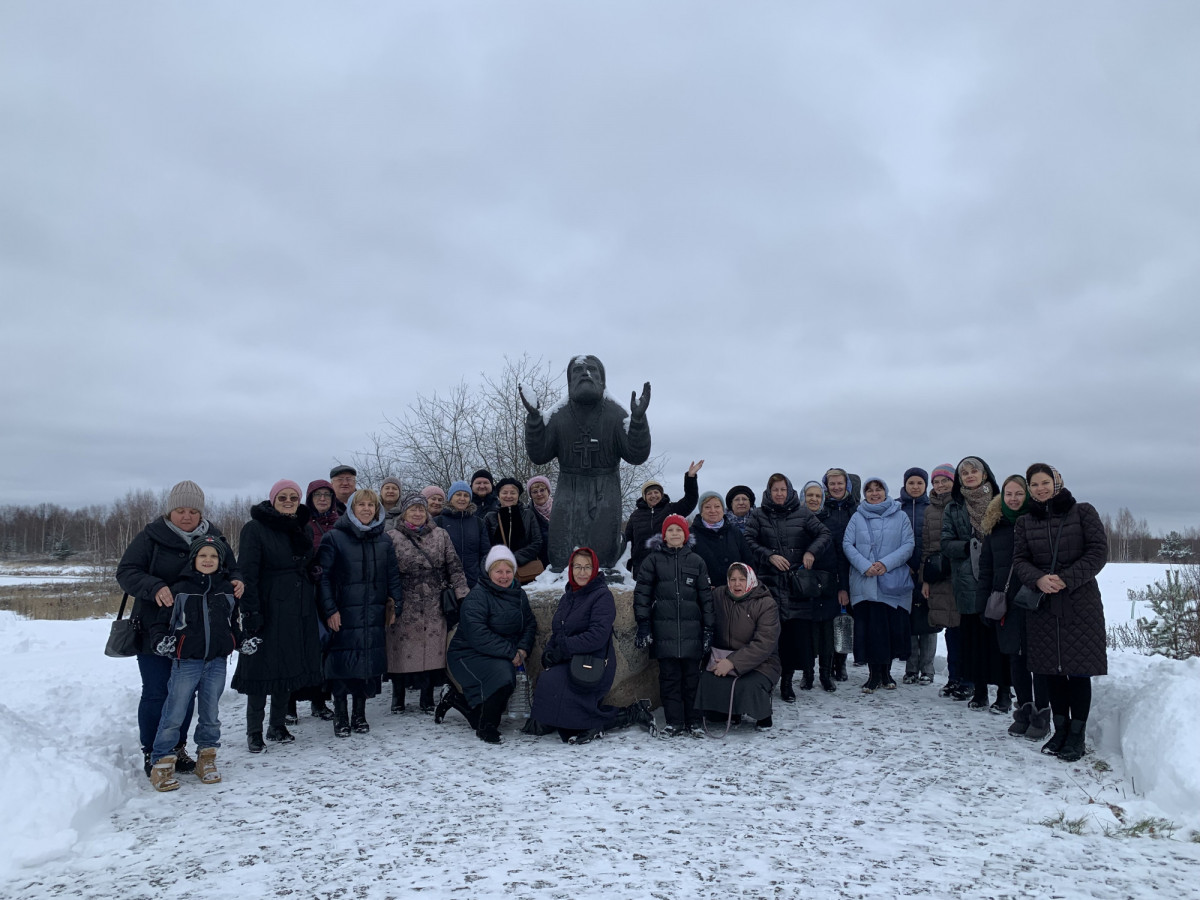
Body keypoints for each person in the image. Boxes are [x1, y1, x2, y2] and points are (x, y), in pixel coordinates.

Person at [116, 480, 243, 777]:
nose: (187, 516)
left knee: (185, 695)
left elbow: (231, 568)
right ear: (169, 511)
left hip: (196, 634)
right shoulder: (152, 537)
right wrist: (154, 585)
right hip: (155, 627)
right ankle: (153, 751)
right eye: (180, 510)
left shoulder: (214, 537)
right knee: (158, 691)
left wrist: (237, 579)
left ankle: (177, 748)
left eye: (193, 511)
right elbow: (126, 572)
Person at [1013, 464, 1108, 762]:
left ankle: (1076, 736)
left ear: (1057, 483)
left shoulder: (1083, 512)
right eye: (1035, 484)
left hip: (1080, 603)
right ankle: (1060, 729)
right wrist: (1038, 579)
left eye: (1046, 482)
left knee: (1077, 670)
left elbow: (1097, 552)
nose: (1041, 488)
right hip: (1043, 605)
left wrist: (1066, 578)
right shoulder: (1026, 522)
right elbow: (1020, 559)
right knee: (1052, 669)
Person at [146, 537, 249, 791]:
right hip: (185, 661)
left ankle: (207, 758)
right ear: (194, 558)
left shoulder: (227, 589)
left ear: (220, 561)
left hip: (216, 662)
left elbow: (231, 624)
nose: (208, 560)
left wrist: (240, 640)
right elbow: (161, 622)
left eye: (213, 556)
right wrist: (161, 640)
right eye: (203, 555)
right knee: (175, 712)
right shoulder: (179, 588)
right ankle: (161, 762)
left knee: (211, 714)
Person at [231, 480, 324, 752]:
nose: (288, 501)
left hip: (299, 607)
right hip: (269, 606)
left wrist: (313, 572)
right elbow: (247, 573)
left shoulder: (301, 527)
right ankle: (254, 731)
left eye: (293, 497)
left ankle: (277, 725)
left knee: (289, 665)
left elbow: (306, 562)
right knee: (260, 669)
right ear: (272, 500)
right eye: (282, 497)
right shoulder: (255, 529)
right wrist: (251, 612)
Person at [527, 547, 655, 743]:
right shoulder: (568, 596)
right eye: (577, 567)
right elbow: (558, 630)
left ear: (595, 569)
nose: (582, 572)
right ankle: (559, 720)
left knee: (558, 687)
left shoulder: (601, 595)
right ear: (571, 569)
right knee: (547, 678)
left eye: (587, 567)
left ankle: (620, 717)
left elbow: (597, 635)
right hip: (570, 657)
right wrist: (550, 652)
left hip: (593, 660)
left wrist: (564, 649)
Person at [317, 488, 403, 737]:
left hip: (373, 613)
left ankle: (360, 714)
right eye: (361, 505)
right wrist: (330, 610)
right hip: (344, 613)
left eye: (371, 505)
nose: (366, 509)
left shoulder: (384, 540)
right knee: (342, 664)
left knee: (366, 666)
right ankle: (341, 715)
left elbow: (393, 576)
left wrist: (396, 604)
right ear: (352, 509)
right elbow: (323, 579)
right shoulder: (334, 538)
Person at [744, 474, 832, 701]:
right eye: (775, 490)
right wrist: (769, 555)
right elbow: (748, 540)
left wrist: (811, 552)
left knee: (793, 638)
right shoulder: (758, 514)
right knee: (770, 636)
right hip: (769, 584)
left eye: (783, 489)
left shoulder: (802, 513)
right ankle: (767, 680)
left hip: (796, 586)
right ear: (769, 491)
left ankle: (786, 683)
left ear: (789, 490)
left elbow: (824, 533)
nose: (780, 494)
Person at [979, 475, 1049, 735]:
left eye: (1019, 493)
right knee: (1015, 658)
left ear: (1028, 495)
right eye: (1009, 494)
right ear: (1002, 497)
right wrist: (982, 602)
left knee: (1038, 661)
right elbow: (985, 568)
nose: (1014, 498)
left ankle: (1042, 715)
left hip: (1035, 601)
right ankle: (1024, 711)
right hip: (1006, 603)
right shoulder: (995, 528)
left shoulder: (1039, 522)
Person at [446, 546, 538, 744]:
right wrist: (510, 653)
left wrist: (523, 648)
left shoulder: (518, 594)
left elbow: (529, 624)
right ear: (489, 572)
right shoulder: (478, 597)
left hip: (500, 652)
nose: (504, 576)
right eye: (498, 571)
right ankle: (487, 727)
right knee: (504, 675)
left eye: (508, 571)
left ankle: (459, 701)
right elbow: (478, 634)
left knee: (478, 713)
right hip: (467, 653)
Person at [633, 515, 714, 738]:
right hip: (664, 632)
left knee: (692, 680)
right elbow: (642, 595)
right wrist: (644, 625)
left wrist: (708, 628)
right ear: (664, 535)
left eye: (679, 530)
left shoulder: (696, 561)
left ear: (686, 535)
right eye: (671, 530)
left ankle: (695, 721)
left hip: (691, 633)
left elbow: (706, 598)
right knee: (669, 680)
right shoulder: (653, 561)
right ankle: (675, 722)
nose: (675, 534)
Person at [388, 493, 468, 713]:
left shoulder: (441, 534)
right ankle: (398, 695)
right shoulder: (392, 537)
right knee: (400, 649)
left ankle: (427, 696)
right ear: (404, 513)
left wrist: (462, 593)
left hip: (434, 598)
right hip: (405, 598)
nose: (417, 513)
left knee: (432, 649)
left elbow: (454, 565)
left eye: (421, 509)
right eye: (412, 509)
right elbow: (387, 570)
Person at [843, 478, 915, 693]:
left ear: (886, 491)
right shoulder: (857, 516)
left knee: (890, 630)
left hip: (891, 582)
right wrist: (866, 566)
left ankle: (887, 673)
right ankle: (873, 675)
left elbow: (908, 544)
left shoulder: (900, 515)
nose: (875, 493)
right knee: (871, 631)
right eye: (870, 490)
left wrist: (885, 564)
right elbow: (847, 544)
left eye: (879, 489)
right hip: (865, 581)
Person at [942, 456, 1002, 709]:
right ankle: (979, 691)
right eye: (963, 472)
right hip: (967, 580)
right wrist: (967, 546)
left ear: (985, 474)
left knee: (999, 638)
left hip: (998, 578)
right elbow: (945, 544)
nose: (969, 475)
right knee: (973, 639)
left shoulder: (1000, 503)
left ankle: (1004, 692)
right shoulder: (954, 507)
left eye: (973, 471)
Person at [694, 563, 780, 731]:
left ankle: (763, 716)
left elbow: (764, 643)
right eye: (732, 579)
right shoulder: (719, 595)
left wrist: (732, 662)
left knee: (748, 684)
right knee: (708, 679)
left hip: (762, 662)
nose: (736, 584)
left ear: (751, 580)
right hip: (721, 655)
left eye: (742, 579)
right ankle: (729, 713)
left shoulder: (766, 604)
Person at [297, 479, 338, 722]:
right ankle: (291, 702)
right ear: (310, 499)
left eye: (326, 495)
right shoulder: (302, 523)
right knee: (303, 647)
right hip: (306, 591)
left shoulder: (338, 523)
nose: (322, 499)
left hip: (332, 590)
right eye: (317, 495)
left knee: (327, 646)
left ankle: (320, 700)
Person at [921, 464, 962, 697]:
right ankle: (954, 678)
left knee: (963, 628)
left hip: (961, 573)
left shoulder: (961, 505)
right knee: (949, 629)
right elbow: (926, 546)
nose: (940, 485)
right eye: (936, 481)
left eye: (945, 480)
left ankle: (966, 679)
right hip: (939, 575)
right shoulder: (930, 510)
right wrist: (925, 579)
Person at [623, 463, 703, 576]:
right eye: (649, 493)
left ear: (661, 494)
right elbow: (628, 542)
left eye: (656, 492)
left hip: (668, 566)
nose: (653, 495)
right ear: (644, 497)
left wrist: (690, 478)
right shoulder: (635, 515)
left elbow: (690, 500)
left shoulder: (671, 509)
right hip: (641, 567)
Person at [801, 481, 842, 691]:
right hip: (804, 586)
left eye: (818, 495)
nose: (814, 499)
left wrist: (843, 586)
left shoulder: (832, 522)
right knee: (808, 633)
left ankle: (826, 674)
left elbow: (841, 555)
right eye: (810, 495)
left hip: (828, 586)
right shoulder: (797, 520)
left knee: (827, 633)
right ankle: (807, 674)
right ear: (803, 497)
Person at [898, 468, 936, 686]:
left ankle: (928, 669)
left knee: (928, 623)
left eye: (919, 483)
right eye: (911, 482)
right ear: (905, 484)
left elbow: (933, 540)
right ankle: (911, 668)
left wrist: (924, 570)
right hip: (902, 572)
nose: (915, 487)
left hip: (927, 572)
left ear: (925, 485)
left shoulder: (931, 507)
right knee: (910, 620)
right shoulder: (897, 507)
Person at [821, 468, 858, 681]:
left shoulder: (855, 509)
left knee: (846, 618)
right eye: (832, 484)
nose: (836, 487)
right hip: (829, 570)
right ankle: (826, 662)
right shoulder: (822, 508)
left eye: (840, 483)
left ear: (847, 485)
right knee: (829, 620)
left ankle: (841, 662)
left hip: (853, 569)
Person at [484, 478, 544, 582]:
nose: (508, 496)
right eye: (505, 493)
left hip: (526, 571)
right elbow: (485, 545)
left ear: (518, 495)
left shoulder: (528, 515)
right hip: (499, 572)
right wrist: (500, 560)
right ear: (499, 495)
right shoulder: (490, 517)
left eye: (513, 493)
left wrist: (514, 558)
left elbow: (537, 542)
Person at [690, 491, 752, 589]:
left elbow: (748, 561)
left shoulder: (734, 532)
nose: (713, 510)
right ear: (701, 511)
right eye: (707, 507)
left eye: (717, 506)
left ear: (723, 509)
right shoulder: (691, 534)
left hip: (734, 592)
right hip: (704, 594)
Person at [436, 480, 492, 589]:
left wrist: (482, 577)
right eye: (458, 494)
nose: (462, 498)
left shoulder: (478, 523)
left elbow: (485, 553)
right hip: (446, 585)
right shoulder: (438, 522)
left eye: (466, 495)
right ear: (451, 497)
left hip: (474, 583)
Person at [526, 475, 553, 569]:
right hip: (541, 564)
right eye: (534, 492)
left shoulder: (562, 508)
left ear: (548, 491)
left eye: (542, 490)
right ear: (531, 495)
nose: (539, 494)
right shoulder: (527, 514)